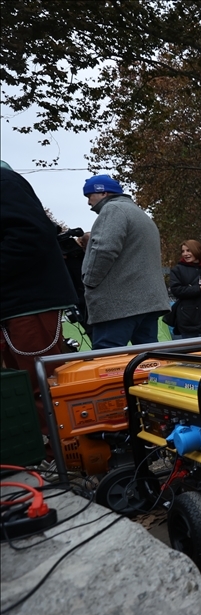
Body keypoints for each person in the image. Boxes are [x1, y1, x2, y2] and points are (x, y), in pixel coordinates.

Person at [0, 162, 79, 431]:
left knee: (41, 387)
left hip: (27, 303)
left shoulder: (5, 182)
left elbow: (30, 236)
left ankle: (64, 456)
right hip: (12, 305)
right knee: (16, 388)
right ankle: (39, 452)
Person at [80, 174, 169, 348]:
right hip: (148, 303)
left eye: (89, 195)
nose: (89, 202)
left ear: (103, 193)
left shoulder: (113, 210)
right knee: (148, 360)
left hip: (119, 305)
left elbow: (103, 250)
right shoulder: (139, 214)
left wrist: (89, 281)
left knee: (107, 362)